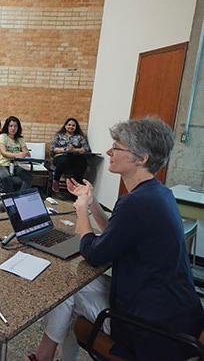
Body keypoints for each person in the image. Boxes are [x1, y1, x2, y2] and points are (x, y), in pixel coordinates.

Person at [27, 117, 204, 361]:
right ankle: (49, 357)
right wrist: (91, 203)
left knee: (68, 290)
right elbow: (117, 232)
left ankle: (45, 357)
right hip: (174, 311)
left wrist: (80, 210)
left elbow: (93, 253)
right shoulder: (156, 193)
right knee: (70, 289)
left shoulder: (136, 202)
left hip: (153, 329)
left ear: (142, 159)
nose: (110, 151)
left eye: (117, 147)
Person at [0, 116, 33, 193]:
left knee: (29, 177)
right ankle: (9, 200)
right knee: (6, 177)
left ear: (18, 128)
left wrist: (25, 153)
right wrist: (18, 154)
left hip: (15, 165)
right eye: (11, 126)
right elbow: (4, 153)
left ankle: (20, 197)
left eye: (15, 126)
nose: (13, 128)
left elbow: (26, 153)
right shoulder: (2, 137)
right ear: (7, 127)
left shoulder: (20, 139)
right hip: (0, 165)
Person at [50, 118, 90, 193]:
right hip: (60, 157)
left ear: (76, 127)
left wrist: (74, 150)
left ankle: (77, 185)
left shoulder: (80, 137)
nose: (71, 127)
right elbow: (53, 148)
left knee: (82, 161)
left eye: (73, 125)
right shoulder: (59, 136)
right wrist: (65, 150)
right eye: (69, 125)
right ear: (65, 126)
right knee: (64, 159)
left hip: (75, 158)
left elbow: (86, 149)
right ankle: (56, 180)